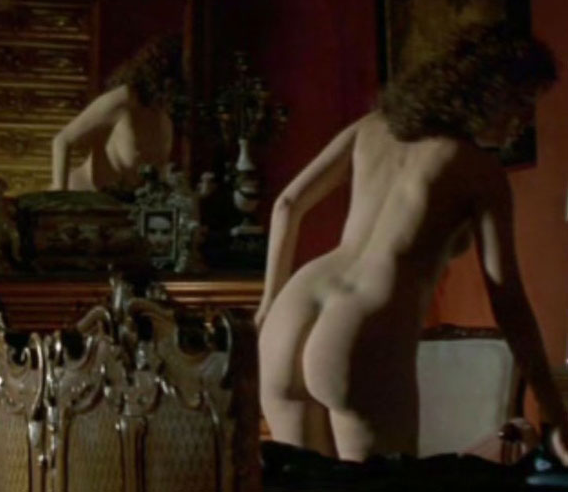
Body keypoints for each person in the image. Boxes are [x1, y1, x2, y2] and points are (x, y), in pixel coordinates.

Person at [255, 23, 568, 463]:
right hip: (360, 329)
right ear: (487, 93)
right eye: (521, 102)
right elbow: (508, 301)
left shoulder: (371, 127)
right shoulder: (478, 170)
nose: (525, 121)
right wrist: (555, 412)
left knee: (298, 482)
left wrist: (267, 303)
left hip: (291, 311)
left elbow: (287, 204)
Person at [50, 34, 187, 191]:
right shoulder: (123, 99)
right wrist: (60, 195)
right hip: (84, 193)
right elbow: (62, 140)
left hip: (120, 203)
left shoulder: (164, 115)